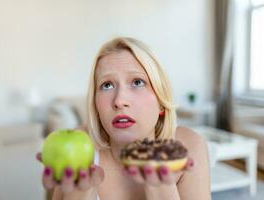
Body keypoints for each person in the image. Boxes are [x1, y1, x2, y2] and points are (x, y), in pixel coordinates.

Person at [36, 37, 211, 200]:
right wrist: (81, 192)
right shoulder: (79, 149)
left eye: (137, 82)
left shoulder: (189, 145)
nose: (119, 101)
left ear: (161, 103)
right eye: (107, 85)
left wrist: (160, 189)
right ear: (96, 105)